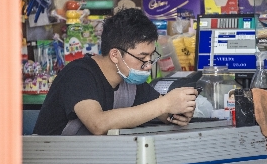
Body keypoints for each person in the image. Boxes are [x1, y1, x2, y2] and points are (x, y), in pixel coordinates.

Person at [33, 8, 198, 135]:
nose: (148, 64)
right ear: (115, 54)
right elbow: (98, 124)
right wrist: (165, 104)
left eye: (151, 56)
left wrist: (177, 112)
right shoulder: (79, 74)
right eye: (142, 57)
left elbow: (162, 111)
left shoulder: (130, 81)